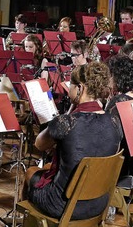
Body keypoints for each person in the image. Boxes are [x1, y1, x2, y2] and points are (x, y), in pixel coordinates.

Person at [23, 62, 121, 220]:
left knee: (31, 172)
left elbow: (39, 144)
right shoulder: (115, 121)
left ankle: (28, 222)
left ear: (80, 89)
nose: (68, 89)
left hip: (64, 205)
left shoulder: (66, 123)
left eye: (71, 85)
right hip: (98, 202)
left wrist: (67, 113)